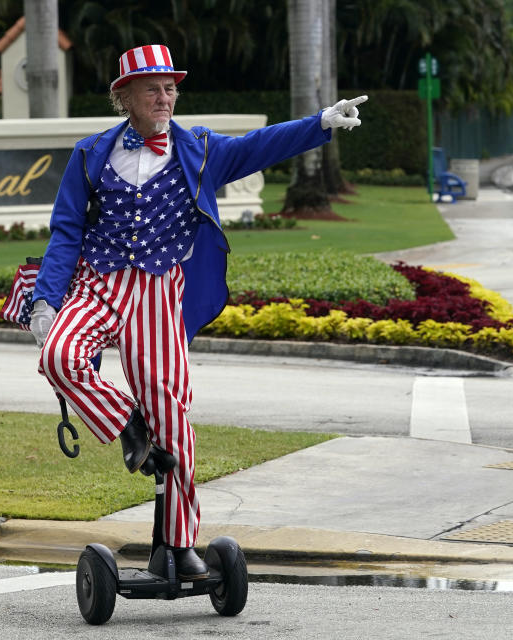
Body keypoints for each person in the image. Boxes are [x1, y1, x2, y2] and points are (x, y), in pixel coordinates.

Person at [30, 44, 366, 580]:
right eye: (151, 89)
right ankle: (127, 424)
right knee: (59, 356)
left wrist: (319, 123)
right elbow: (66, 228)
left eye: (169, 89)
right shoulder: (91, 153)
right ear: (125, 98)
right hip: (98, 283)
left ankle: (178, 544)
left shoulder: (200, 149)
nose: (164, 98)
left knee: (174, 415)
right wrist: (45, 299)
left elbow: (259, 146)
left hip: (160, 290)